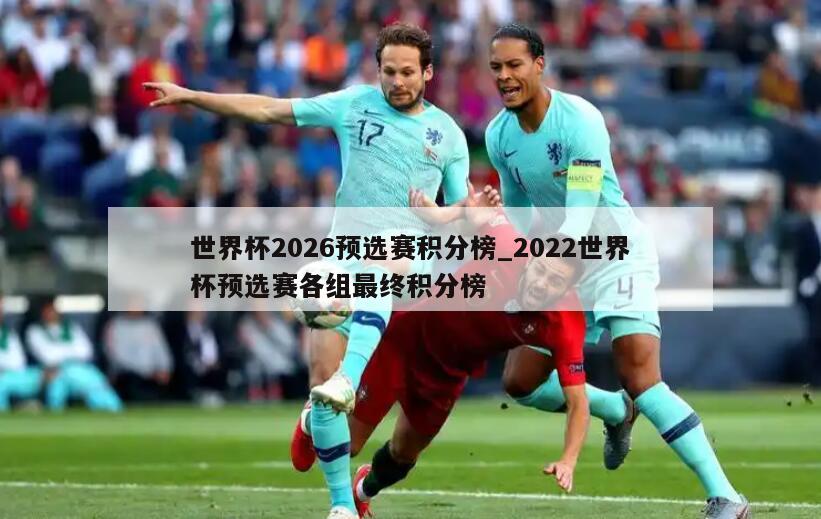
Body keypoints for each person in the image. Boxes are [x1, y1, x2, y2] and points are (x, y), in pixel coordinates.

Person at [144, 23, 478, 519]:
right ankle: (342, 506)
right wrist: (193, 96)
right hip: (344, 257)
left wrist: (446, 214)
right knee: (324, 388)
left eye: (408, 72)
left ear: (428, 73)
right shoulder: (354, 105)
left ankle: (348, 383)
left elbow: (463, 212)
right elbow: (269, 109)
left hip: (409, 261)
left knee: (382, 271)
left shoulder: (447, 133)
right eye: (388, 71)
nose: (397, 81)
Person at [483, 24, 748, 518]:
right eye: (496, 67)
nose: (504, 76)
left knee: (640, 375)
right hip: (559, 265)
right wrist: (516, 258)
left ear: (539, 65)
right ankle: (613, 409)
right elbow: (518, 208)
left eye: (514, 65)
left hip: (612, 253)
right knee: (520, 382)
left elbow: (582, 208)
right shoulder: (498, 134)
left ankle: (726, 497)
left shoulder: (580, 119)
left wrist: (546, 258)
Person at [291, 186, 588, 517]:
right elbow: (476, 214)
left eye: (555, 282)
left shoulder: (565, 321)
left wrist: (568, 459)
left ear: (567, 289)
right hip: (404, 341)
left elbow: (578, 402)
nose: (542, 284)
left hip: (448, 374)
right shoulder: (507, 246)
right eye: (541, 271)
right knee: (351, 443)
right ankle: (314, 422)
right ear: (531, 258)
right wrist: (445, 212)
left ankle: (362, 491)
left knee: (402, 457)